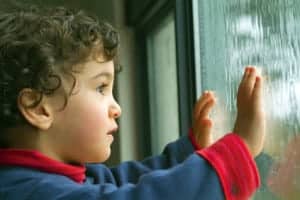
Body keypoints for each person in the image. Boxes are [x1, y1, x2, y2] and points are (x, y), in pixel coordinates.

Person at [0, 5, 265, 200]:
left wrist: (189, 150)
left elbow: (121, 181)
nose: (117, 108)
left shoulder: (53, 178)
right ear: (38, 108)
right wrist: (237, 152)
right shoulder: (28, 192)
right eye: (101, 88)